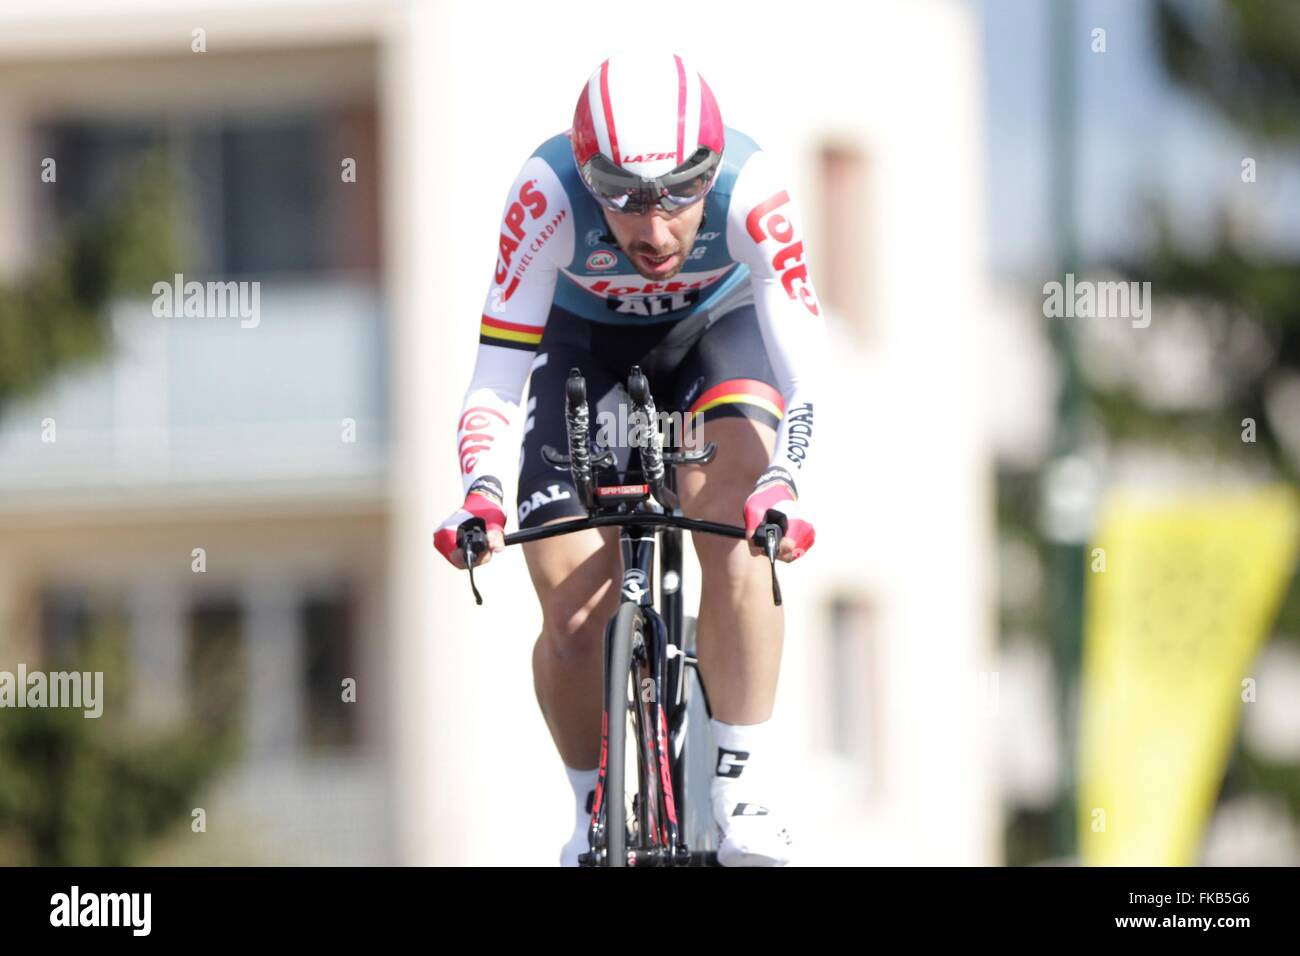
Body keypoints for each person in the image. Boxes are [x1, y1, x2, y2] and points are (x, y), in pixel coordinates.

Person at [433, 49, 827, 866]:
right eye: (620, 200)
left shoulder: (752, 191)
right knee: (573, 613)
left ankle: (742, 786)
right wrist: (479, 491)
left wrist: (785, 482)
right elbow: (499, 366)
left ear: (710, 171)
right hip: (585, 349)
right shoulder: (545, 192)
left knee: (740, 532)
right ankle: (590, 814)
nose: (654, 230)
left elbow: (807, 370)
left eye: (682, 195)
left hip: (719, 336)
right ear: (586, 176)